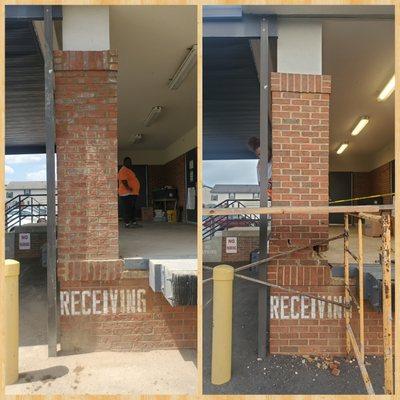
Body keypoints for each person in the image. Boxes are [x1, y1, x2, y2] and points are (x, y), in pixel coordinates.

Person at [118, 157, 141, 228]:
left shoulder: (128, 170)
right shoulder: (123, 170)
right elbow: (123, 180)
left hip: (132, 193)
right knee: (127, 209)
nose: (129, 163)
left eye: (130, 162)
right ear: (124, 162)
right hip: (126, 193)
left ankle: (133, 222)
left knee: (132, 208)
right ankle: (127, 223)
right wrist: (128, 188)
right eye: (127, 161)